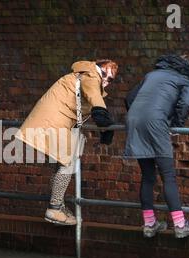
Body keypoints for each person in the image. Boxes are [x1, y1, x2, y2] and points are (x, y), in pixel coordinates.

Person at [16, 60, 118, 225]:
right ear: (98, 68)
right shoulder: (92, 75)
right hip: (55, 122)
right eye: (104, 74)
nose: (105, 80)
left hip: (56, 120)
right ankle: (54, 209)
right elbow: (94, 97)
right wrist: (104, 120)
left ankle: (58, 204)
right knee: (67, 164)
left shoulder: (83, 74)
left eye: (110, 79)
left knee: (62, 163)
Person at [124, 54, 189, 238]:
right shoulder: (186, 78)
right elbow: (187, 103)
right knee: (168, 175)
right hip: (156, 122)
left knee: (148, 176)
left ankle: (150, 224)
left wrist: (140, 117)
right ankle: (180, 225)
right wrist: (176, 124)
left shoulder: (152, 74)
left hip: (134, 120)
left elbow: (129, 98)